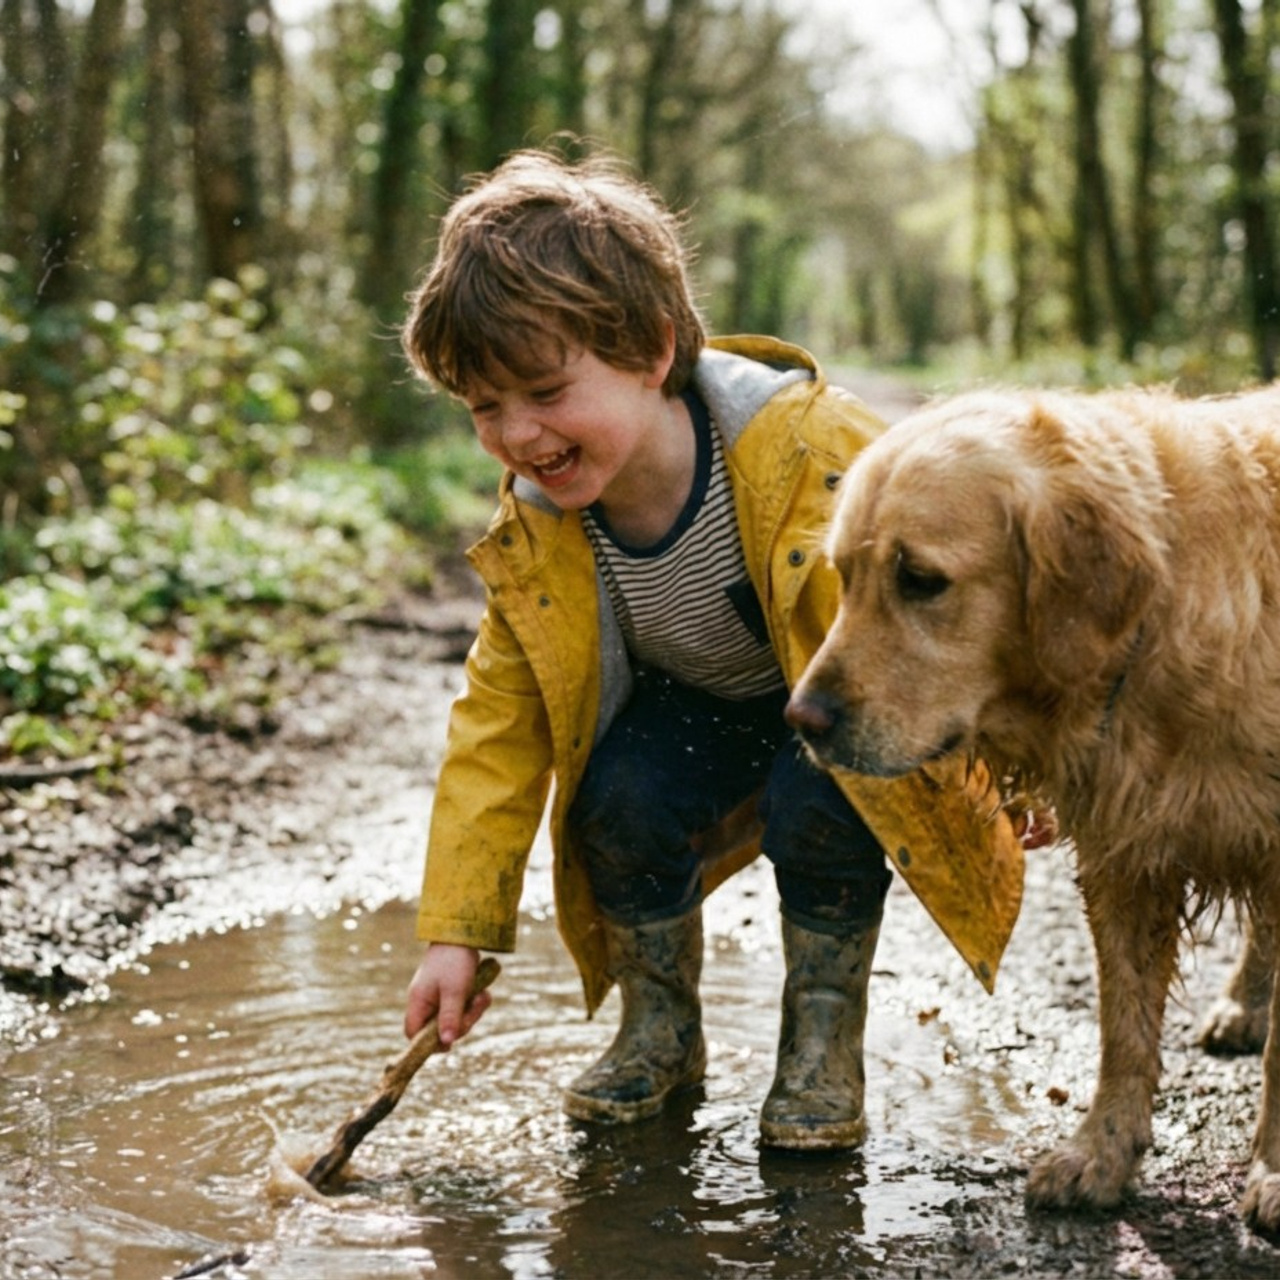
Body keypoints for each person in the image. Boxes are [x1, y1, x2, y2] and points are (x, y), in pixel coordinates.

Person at [399, 146, 1025, 1149]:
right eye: (483, 407)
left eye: (546, 391)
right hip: (694, 711)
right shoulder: (536, 528)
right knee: (614, 798)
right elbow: (497, 727)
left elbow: (962, 607)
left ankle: (820, 1046)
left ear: (650, 351)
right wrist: (456, 929)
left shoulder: (822, 456)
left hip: (823, 702)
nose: (518, 434)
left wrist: (1014, 764)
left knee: (825, 794)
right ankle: (659, 1027)